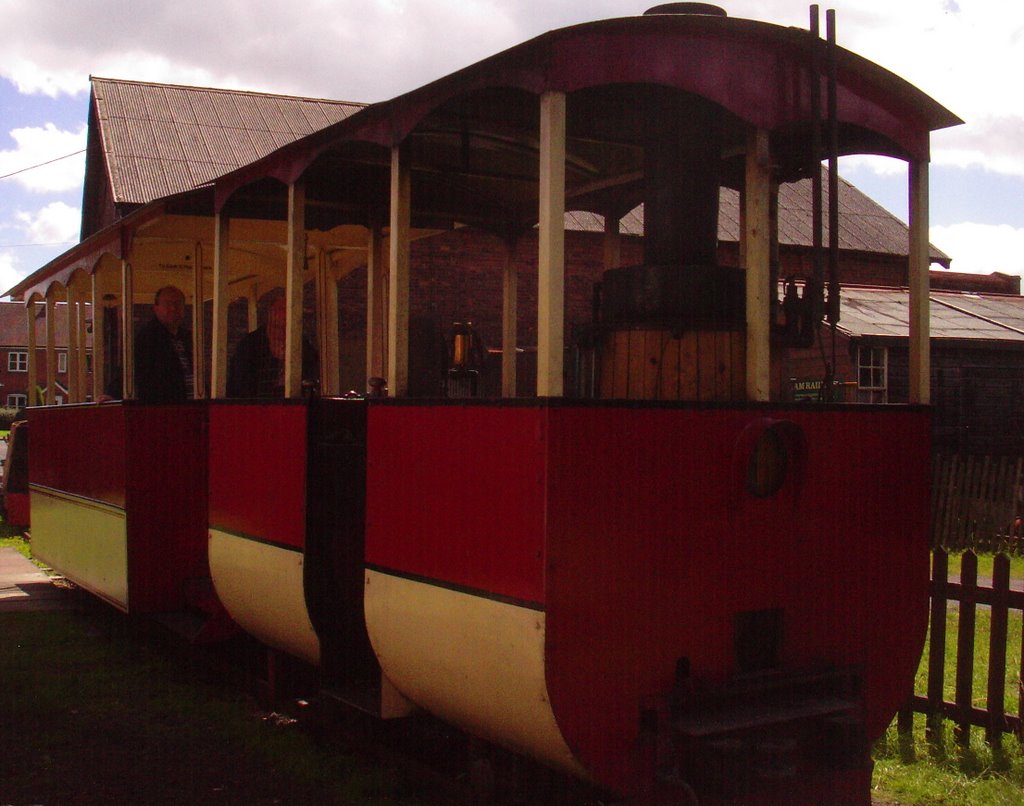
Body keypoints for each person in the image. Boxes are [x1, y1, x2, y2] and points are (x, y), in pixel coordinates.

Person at [227, 290, 318, 398]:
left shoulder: (304, 348)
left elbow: (312, 382)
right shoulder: (249, 346)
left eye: (286, 327)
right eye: (276, 326)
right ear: (269, 314)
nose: (281, 334)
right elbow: (240, 388)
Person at [133, 285, 194, 403]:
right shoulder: (147, 338)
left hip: (191, 407)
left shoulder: (187, 338)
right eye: (167, 304)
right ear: (156, 308)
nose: (173, 308)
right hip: (164, 409)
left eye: (178, 304)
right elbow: (133, 369)